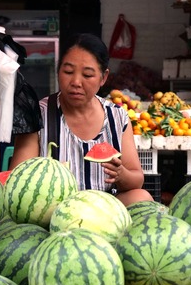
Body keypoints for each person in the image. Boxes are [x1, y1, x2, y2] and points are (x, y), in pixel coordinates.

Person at [10, 33, 153, 206]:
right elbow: (18, 179)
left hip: (104, 207)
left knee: (142, 198)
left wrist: (121, 175)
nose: (76, 81)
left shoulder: (117, 117)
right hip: (54, 208)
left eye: (87, 75)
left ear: (104, 77)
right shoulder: (38, 114)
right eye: (68, 71)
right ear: (58, 70)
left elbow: (137, 179)